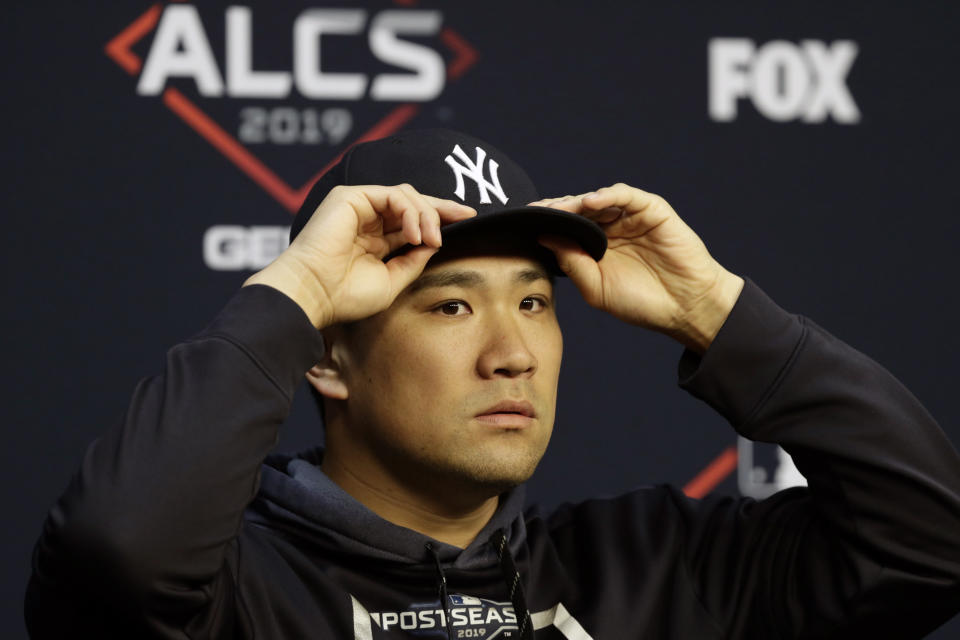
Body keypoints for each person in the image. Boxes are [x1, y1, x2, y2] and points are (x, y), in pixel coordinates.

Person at [25, 129, 960, 639]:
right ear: (325, 357)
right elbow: (116, 554)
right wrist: (296, 293)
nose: (514, 353)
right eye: (450, 308)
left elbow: (929, 546)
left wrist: (717, 309)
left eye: (536, 304)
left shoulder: (661, 572)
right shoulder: (228, 594)